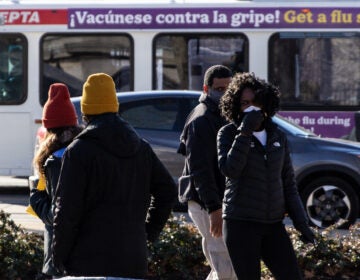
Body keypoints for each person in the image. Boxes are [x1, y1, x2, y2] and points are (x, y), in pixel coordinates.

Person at [52, 73, 177, 278]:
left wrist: (58, 256)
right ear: (115, 106)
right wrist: (147, 233)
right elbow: (168, 191)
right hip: (132, 260)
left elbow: (67, 211)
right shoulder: (141, 147)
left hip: (86, 261)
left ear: (86, 111)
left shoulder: (79, 151)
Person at [217, 72, 315, 280]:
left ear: (266, 104)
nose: (251, 108)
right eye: (244, 103)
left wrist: (301, 223)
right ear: (235, 106)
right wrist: (245, 132)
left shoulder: (277, 135)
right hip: (240, 223)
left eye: (255, 102)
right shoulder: (228, 133)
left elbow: (288, 183)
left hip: (272, 224)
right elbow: (230, 170)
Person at [178, 65, 236, 280]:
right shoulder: (201, 120)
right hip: (207, 202)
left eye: (229, 88)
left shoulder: (221, 115)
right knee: (225, 268)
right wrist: (214, 209)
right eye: (219, 89)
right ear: (206, 88)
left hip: (214, 200)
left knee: (223, 267)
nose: (225, 93)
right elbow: (200, 170)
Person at [29, 83, 82, 279]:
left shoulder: (54, 160)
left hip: (60, 253)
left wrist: (36, 197)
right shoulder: (84, 151)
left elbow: (57, 214)